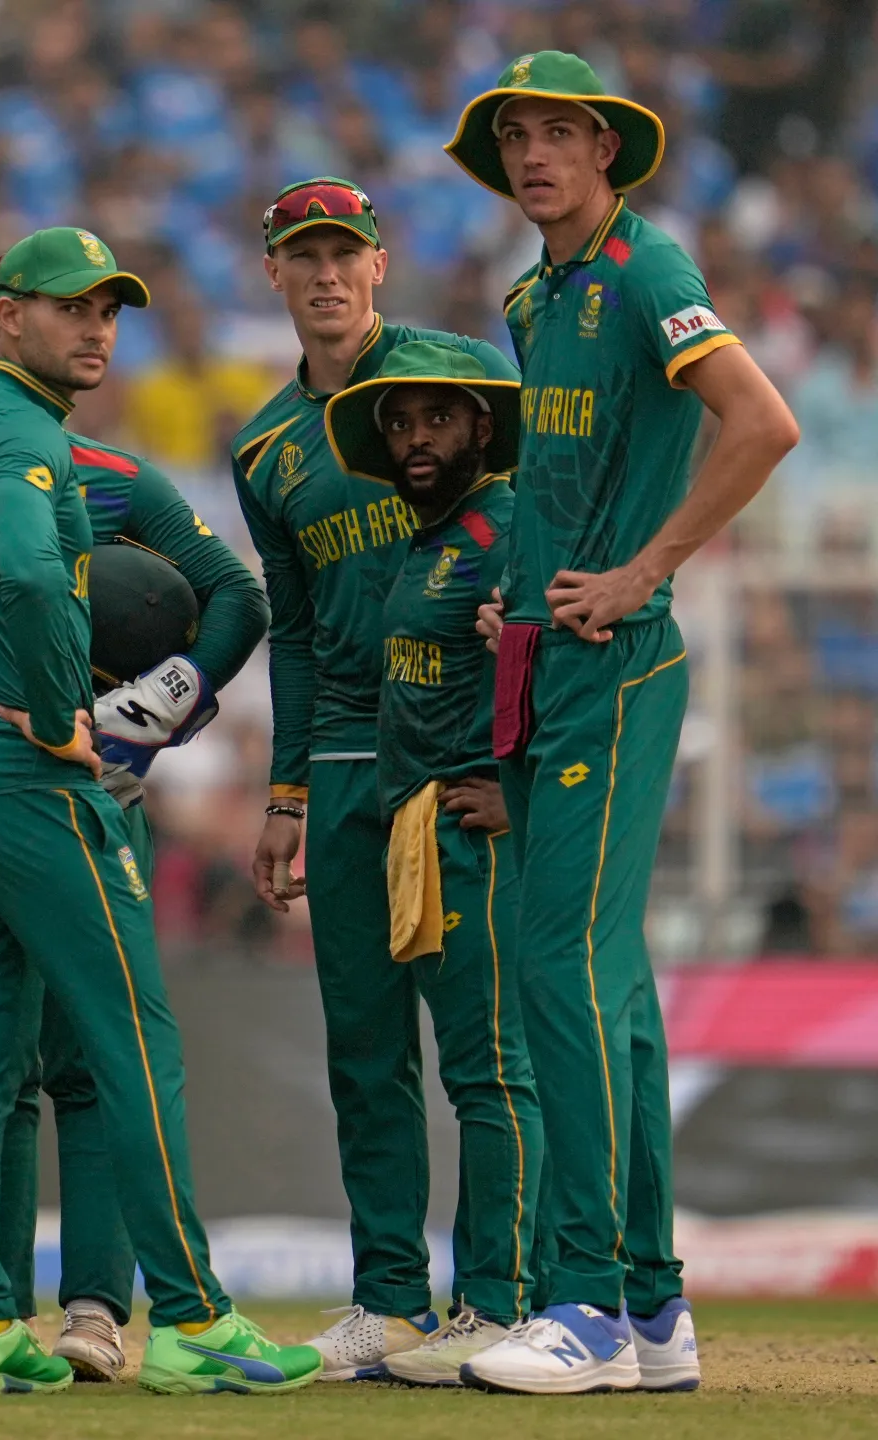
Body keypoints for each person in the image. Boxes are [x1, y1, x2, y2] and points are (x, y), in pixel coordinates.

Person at [0, 226, 318, 1397]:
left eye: (109, 310)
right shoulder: (27, 434)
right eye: (71, 307)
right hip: (22, 777)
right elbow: (33, 574)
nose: (96, 329)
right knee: (134, 1038)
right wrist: (59, 713)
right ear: (12, 314)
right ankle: (192, 1319)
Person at [443, 52, 798, 1394]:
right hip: (547, 660)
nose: (534, 155)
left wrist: (647, 569)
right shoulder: (534, 295)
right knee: (615, 993)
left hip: (619, 663)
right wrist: (523, 591)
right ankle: (650, 1311)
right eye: (515, 137)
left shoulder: (648, 272)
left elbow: (761, 423)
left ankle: (583, 1303)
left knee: (558, 969)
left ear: (606, 151)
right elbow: (566, 475)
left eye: (560, 133)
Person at [231, 177, 519, 1380]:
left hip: (454, 758)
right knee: (363, 1047)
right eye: (304, 256)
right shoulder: (261, 447)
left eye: (345, 252)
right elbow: (294, 634)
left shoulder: (461, 375)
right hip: (346, 758)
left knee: (483, 1047)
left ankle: (499, 1300)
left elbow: (532, 530)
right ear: (274, 275)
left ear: (380, 264)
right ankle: (390, 1302)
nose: (327, 274)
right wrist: (285, 794)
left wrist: (517, 733)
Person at [319, 340, 543, 1384]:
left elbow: (579, 645)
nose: (416, 440)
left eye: (438, 419)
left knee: (491, 1071)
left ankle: (500, 1305)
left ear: (483, 428)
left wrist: (518, 786)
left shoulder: (510, 527)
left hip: (472, 830)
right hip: (419, 826)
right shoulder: (431, 538)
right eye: (401, 424)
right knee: (467, 1070)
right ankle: (458, 1307)